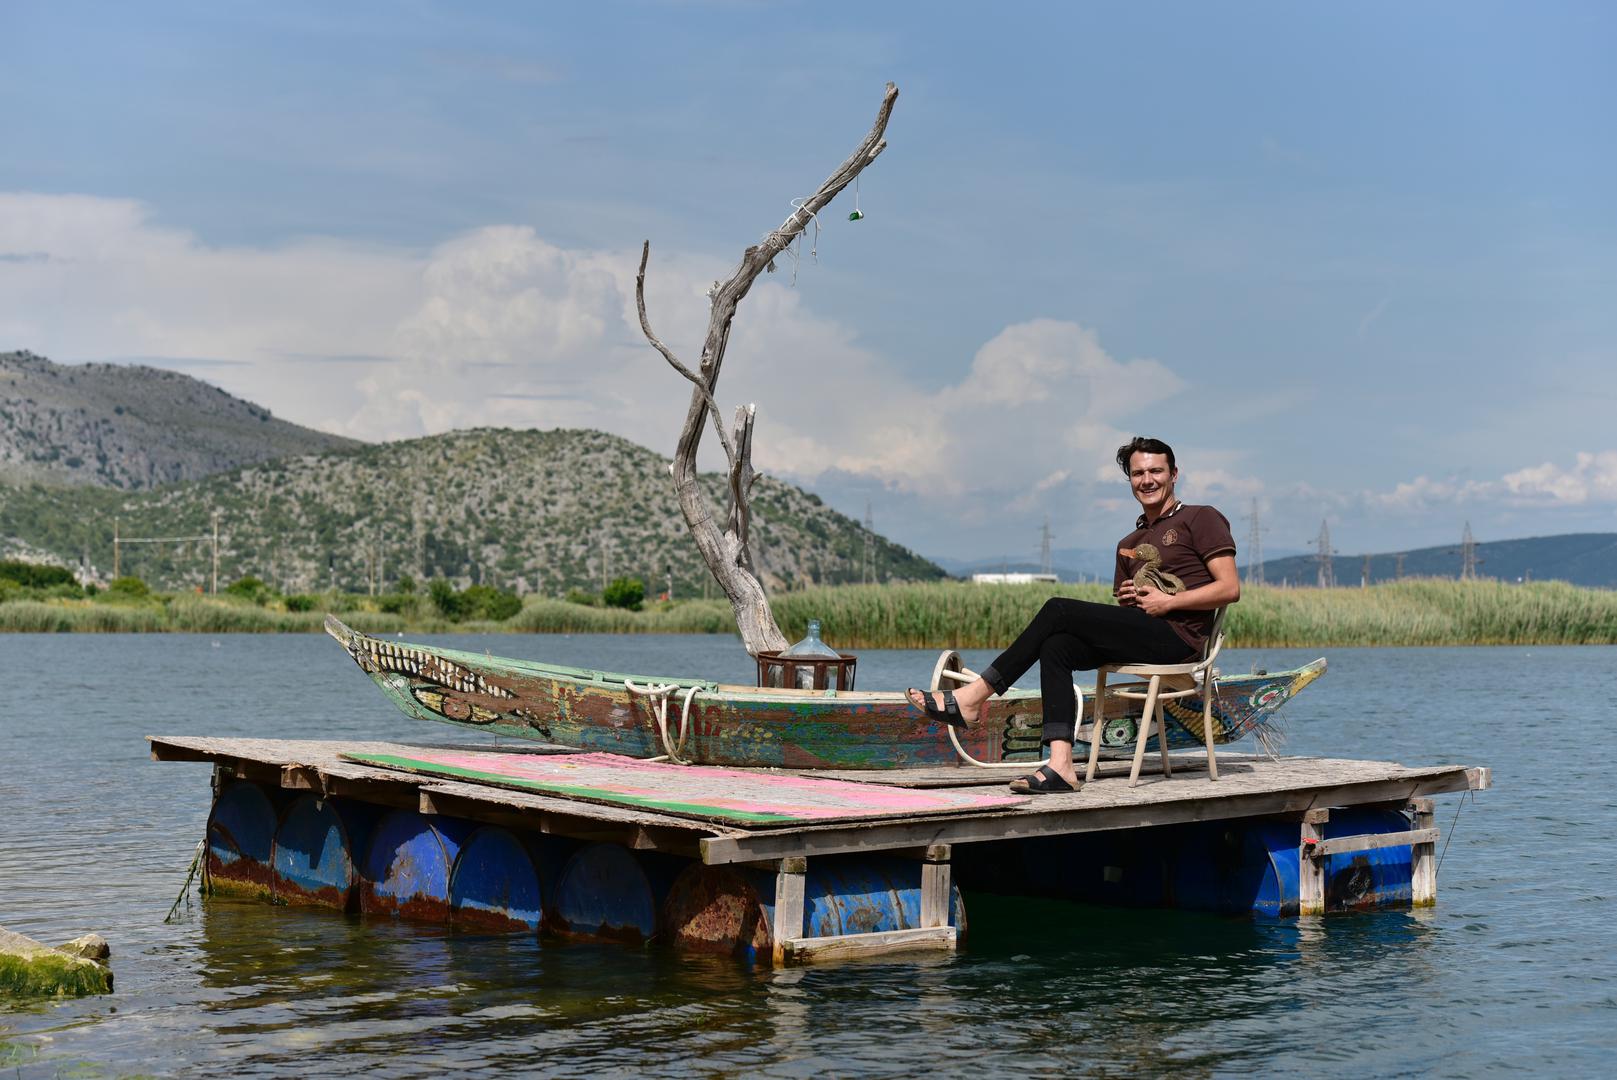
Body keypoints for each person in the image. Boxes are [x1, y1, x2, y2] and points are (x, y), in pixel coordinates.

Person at [906, 437, 1240, 794]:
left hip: (1178, 641)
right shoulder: (1130, 540)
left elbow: (1229, 588)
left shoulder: (1200, 517)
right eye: (1138, 473)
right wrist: (1130, 598)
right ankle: (1061, 765)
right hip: (1143, 635)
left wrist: (1169, 603)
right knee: (1057, 645)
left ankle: (973, 697)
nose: (1147, 480)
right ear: (1129, 479)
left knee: (1058, 608)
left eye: (1156, 471)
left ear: (1174, 474)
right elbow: (1128, 614)